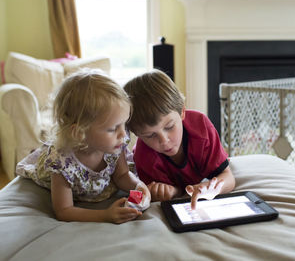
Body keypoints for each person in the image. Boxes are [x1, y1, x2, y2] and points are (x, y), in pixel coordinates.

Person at [16, 69, 150, 224]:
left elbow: (121, 175)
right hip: (58, 171)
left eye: (124, 124)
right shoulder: (61, 163)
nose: (124, 135)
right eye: (113, 128)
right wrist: (105, 215)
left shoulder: (114, 145)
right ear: (80, 132)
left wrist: (139, 186)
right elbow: (64, 211)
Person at [123, 69, 236, 209]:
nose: (164, 140)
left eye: (169, 126)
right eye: (150, 135)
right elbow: (146, 194)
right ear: (137, 134)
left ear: (182, 112)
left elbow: (228, 177)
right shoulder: (144, 155)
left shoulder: (201, 128)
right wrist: (171, 192)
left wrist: (213, 188)